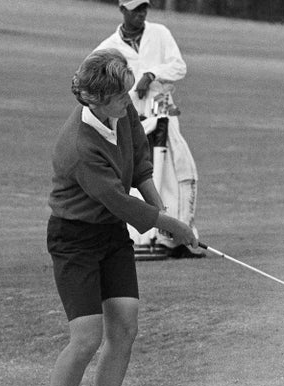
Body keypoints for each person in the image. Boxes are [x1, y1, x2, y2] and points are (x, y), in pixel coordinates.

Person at [34, 48, 197, 386]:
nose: (129, 101)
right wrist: (171, 225)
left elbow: (140, 165)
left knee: (125, 327)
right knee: (86, 338)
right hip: (74, 241)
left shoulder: (122, 116)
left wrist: (161, 213)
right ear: (96, 99)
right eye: (121, 96)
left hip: (110, 237)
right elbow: (118, 201)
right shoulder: (78, 146)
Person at [94, 0, 202, 259]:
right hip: (128, 116)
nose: (141, 14)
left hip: (163, 110)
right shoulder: (108, 47)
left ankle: (174, 237)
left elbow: (179, 67)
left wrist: (151, 73)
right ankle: (138, 237)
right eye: (135, 10)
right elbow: (95, 80)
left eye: (144, 8)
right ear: (122, 10)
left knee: (174, 170)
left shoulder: (160, 33)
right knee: (135, 172)